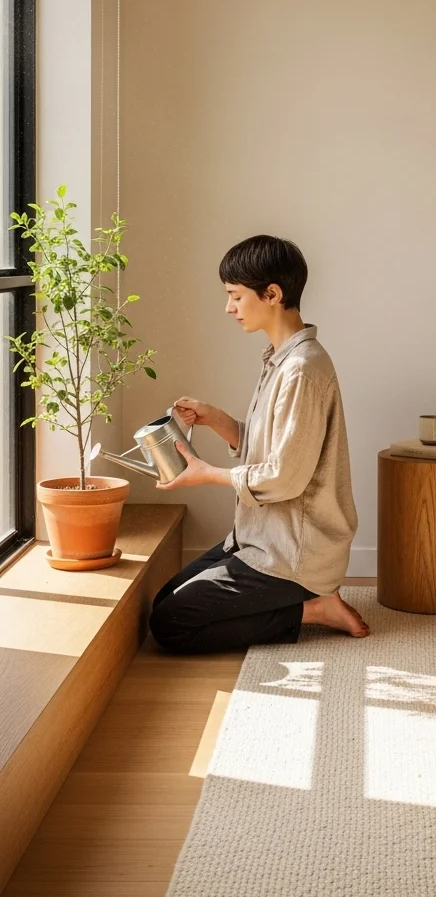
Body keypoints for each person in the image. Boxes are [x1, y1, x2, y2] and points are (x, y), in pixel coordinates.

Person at [148, 234, 369, 653]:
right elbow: (272, 448)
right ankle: (311, 603)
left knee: (171, 624)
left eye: (235, 295)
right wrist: (215, 418)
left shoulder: (302, 369)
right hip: (260, 535)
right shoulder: (280, 358)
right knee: (165, 601)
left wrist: (206, 475)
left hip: (292, 553)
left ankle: (314, 608)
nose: (228, 308)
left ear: (272, 294)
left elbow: (284, 477)